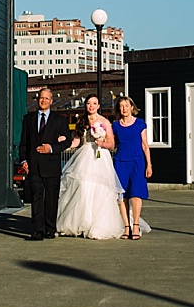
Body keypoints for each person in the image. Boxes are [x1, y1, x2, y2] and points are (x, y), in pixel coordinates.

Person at [55, 93, 126, 239]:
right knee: (82, 187)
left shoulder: (105, 122)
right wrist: (64, 143)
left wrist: (102, 143)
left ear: (99, 106)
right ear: (85, 105)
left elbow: (112, 144)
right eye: (88, 103)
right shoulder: (81, 121)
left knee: (100, 189)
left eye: (94, 103)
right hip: (85, 155)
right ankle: (80, 223)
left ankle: (98, 225)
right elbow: (76, 141)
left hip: (100, 156)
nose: (91, 106)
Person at [18, 88, 72, 240]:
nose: (43, 101)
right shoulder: (28, 119)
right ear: (37, 99)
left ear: (51, 101)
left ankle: (50, 228)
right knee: (37, 198)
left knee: (51, 199)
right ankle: (38, 229)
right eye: (41, 98)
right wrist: (23, 160)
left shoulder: (60, 120)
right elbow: (24, 143)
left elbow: (67, 141)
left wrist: (52, 148)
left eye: (46, 98)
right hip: (33, 166)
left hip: (52, 165)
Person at [110, 96, 152, 240]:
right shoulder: (115, 126)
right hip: (120, 161)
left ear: (132, 107)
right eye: (121, 106)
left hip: (137, 161)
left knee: (135, 194)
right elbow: (111, 143)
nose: (124, 109)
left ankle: (136, 225)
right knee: (122, 196)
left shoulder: (140, 124)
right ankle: (126, 227)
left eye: (126, 106)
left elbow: (145, 145)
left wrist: (149, 164)